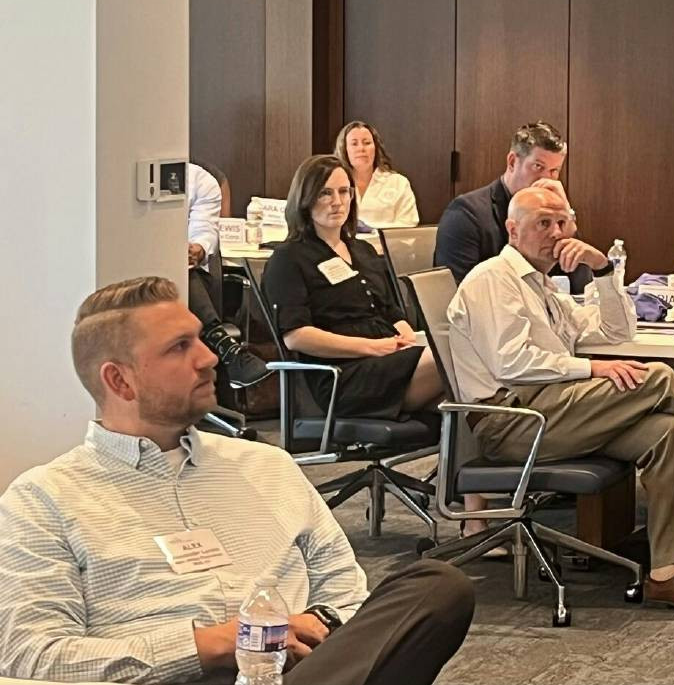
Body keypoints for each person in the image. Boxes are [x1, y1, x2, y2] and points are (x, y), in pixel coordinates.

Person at [0, 276, 474, 685]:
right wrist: (208, 644)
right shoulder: (45, 498)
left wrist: (313, 623)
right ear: (120, 382)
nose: (209, 358)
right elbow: (32, 654)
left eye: (200, 339)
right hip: (171, 677)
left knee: (437, 586)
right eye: (179, 348)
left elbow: (346, 593)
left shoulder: (266, 466)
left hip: (302, 671)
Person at [447, 186, 674, 615]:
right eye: (543, 224)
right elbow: (511, 362)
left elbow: (615, 334)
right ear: (512, 229)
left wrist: (601, 270)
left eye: (562, 222)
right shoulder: (493, 280)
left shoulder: (543, 284)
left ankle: (666, 576)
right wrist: (591, 369)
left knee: (668, 432)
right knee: (659, 378)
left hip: (555, 406)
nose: (556, 233)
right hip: (512, 419)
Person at [262, 155, 443, 422]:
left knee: (461, 393)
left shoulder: (364, 250)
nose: (337, 202)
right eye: (325, 193)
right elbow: (296, 336)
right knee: (451, 361)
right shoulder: (288, 258)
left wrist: (407, 339)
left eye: (344, 192)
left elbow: (392, 311)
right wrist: (372, 347)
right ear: (305, 199)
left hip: (390, 357)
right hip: (343, 375)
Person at [435, 120, 587, 289]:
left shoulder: (554, 222)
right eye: (538, 166)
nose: (546, 179)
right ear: (512, 162)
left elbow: (580, 285)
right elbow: (458, 294)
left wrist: (565, 214)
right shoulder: (466, 214)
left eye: (554, 171)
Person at [184, 161, 269, 388]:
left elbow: (205, 231)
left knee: (181, 270)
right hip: (138, 274)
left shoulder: (201, 180)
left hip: (191, 277)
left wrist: (198, 249)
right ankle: (227, 349)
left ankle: (224, 347)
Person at [334, 120, 419, 229]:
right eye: (354, 144)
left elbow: (409, 224)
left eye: (367, 143)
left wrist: (370, 229)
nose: (361, 148)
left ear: (376, 148)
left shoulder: (398, 182)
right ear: (344, 149)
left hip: (387, 245)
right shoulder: (334, 185)